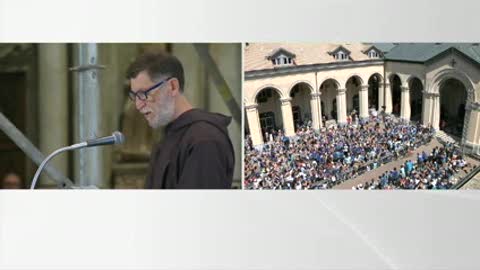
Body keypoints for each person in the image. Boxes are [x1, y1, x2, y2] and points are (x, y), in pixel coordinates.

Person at [126, 51, 235, 189]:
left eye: (144, 94)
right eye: (134, 96)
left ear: (172, 87)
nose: (138, 105)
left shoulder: (205, 140)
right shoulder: (169, 135)